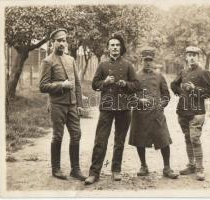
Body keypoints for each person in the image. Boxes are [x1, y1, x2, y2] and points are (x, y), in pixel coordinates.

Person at [85, 34, 140, 185]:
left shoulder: (128, 65)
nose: (115, 47)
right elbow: (95, 84)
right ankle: (94, 172)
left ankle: (116, 169)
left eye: (117, 45)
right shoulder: (102, 65)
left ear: (121, 48)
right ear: (108, 48)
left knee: (119, 141)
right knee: (100, 140)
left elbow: (136, 85)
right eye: (112, 45)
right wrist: (105, 82)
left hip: (124, 107)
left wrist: (126, 85)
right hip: (107, 107)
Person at [39, 28, 86, 181]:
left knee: (76, 134)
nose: (62, 43)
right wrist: (61, 85)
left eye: (64, 40)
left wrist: (79, 104)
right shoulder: (47, 61)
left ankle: (75, 169)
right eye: (59, 40)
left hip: (72, 105)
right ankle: (56, 169)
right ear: (53, 42)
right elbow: (43, 86)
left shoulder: (71, 60)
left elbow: (78, 84)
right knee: (58, 136)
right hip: (57, 104)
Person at [129, 47, 178, 179]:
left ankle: (167, 167)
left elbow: (166, 95)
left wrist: (161, 105)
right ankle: (143, 165)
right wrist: (138, 101)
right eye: (146, 60)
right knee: (140, 140)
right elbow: (129, 95)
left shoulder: (159, 76)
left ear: (153, 61)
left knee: (164, 139)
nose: (148, 63)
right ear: (141, 60)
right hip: (140, 114)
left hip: (156, 114)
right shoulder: (135, 76)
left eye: (150, 60)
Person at [171, 45, 210, 181]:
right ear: (186, 57)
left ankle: (200, 169)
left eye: (194, 55)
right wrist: (181, 91)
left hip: (197, 111)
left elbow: (209, 92)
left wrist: (195, 89)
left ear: (198, 57)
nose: (192, 57)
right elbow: (173, 84)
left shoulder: (204, 72)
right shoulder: (183, 72)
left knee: (194, 138)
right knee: (187, 138)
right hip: (183, 110)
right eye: (189, 55)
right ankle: (191, 165)